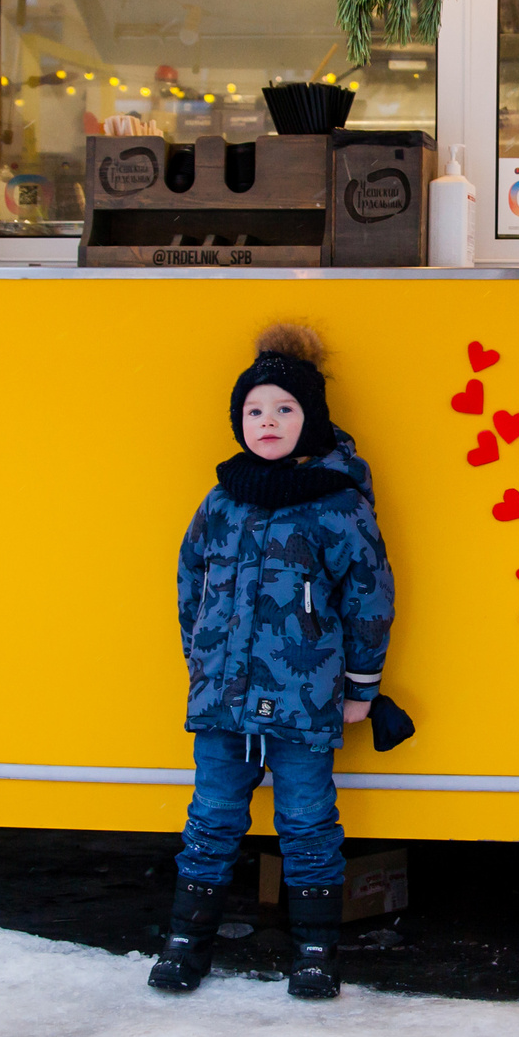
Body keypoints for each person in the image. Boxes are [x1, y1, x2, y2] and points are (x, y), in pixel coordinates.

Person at [149, 323, 395, 1000]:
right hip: (222, 701)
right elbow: (190, 583)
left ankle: (315, 952)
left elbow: (370, 596)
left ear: (309, 418)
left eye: (284, 409)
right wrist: (200, 657)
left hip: (303, 700)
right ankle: (184, 942)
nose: (268, 421)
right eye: (255, 410)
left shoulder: (338, 505)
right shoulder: (221, 502)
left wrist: (361, 687)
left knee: (308, 822)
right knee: (211, 818)